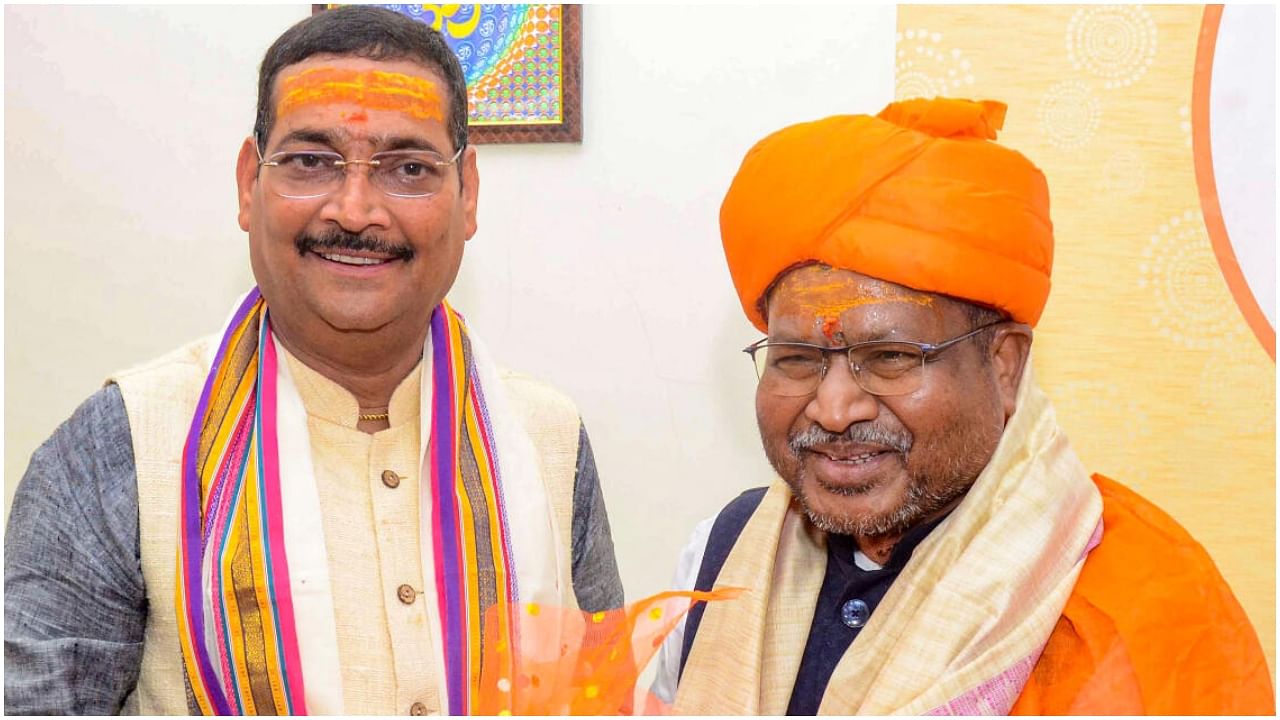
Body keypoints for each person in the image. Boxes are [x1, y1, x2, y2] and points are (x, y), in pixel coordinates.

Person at [4, 7, 622, 715]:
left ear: (467, 194)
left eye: (408, 168)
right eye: (310, 162)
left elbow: (601, 700)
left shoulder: (547, 438)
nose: (355, 211)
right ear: (248, 182)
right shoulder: (124, 444)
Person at [652, 97, 1273, 714]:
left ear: (1003, 365)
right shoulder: (724, 553)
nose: (835, 409)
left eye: (891, 356)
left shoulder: (1139, 607)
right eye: (795, 359)